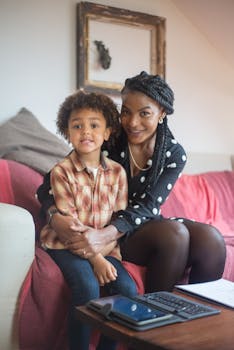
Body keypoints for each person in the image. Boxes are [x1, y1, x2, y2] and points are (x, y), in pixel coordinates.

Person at [37, 71, 226, 293]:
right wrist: (54, 216)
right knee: (175, 235)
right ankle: (154, 316)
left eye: (144, 113)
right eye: (126, 112)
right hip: (104, 221)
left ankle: (194, 320)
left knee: (212, 240)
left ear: (162, 113)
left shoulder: (173, 154)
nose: (133, 123)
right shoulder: (110, 138)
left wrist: (104, 236)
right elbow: (46, 186)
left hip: (137, 223)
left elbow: (148, 207)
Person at [39, 90, 137, 350]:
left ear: (107, 133)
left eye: (94, 125)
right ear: (67, 132)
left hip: (105, 246)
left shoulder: (117, 173)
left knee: (128, 291)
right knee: (87, 286)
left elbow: (118, 220)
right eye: (77, 126)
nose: (85, 132)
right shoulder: (61, 172)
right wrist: (96, 260)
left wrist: (103, 254)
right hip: (65, 245)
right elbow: (69, 228)